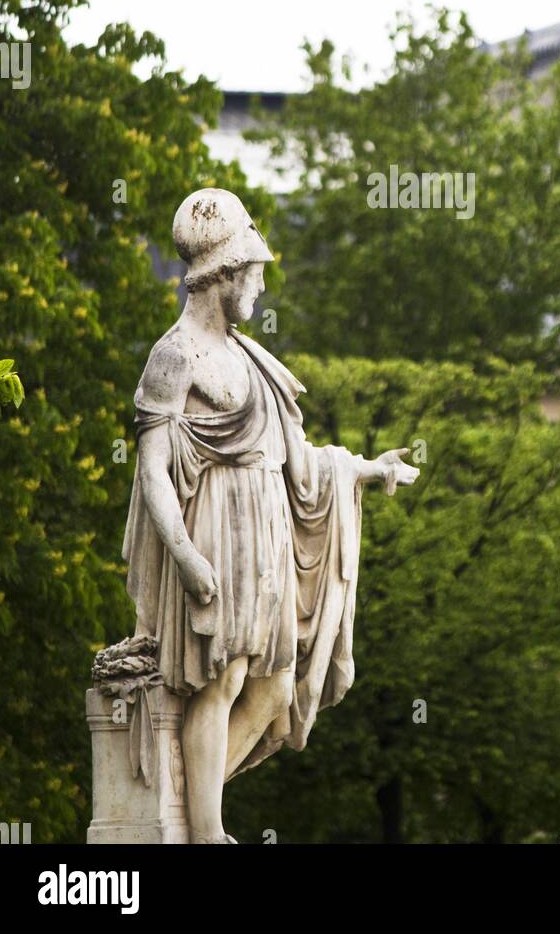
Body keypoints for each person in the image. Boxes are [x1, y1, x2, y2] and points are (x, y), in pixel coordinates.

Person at [122, 188, 419, 843]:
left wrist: (369, 469)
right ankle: (203, 832)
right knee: (223, 678)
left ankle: (173, 812)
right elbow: (153, 472)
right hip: (213, 534)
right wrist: (186, 554)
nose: (258, 287)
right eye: (252, 274)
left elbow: (300, 461)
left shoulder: (251, 359)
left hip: (266, 536)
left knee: (275, 692)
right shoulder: (176, 355)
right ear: (223, 275)